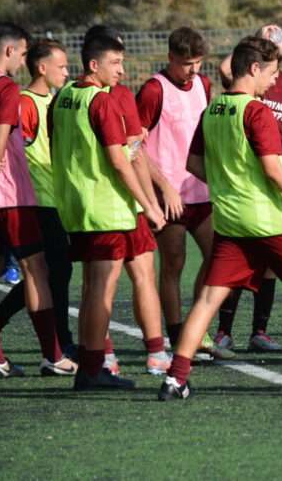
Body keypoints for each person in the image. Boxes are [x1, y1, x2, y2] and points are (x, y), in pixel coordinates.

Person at [158, 36, 282, 400]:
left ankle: (176, 378)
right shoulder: (256, 110)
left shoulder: (213, 110)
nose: (274, 81)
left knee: (208, 300)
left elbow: (192, 164)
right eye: (272, 73)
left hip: (230, 222)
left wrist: (227, 182)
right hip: (270, 221)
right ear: (254, 69)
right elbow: (274, 170)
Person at [50, 33, 169, 388]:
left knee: (90, 291)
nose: (121, 70)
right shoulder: (100, 101)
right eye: (115, 63)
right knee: (102, 292)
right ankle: (93, 370)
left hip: (76, 207)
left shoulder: (63, 96)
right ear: (93, 64)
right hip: (107, 209)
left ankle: (91, 364)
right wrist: (149, 205)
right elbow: (121, 162)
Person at [213, 24, 282, 353]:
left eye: (275, 44)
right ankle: (223, 332)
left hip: (275, 180)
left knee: (263, 265)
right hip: (252, 184)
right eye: (264, 43)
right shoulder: (244, 87)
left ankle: (259, 331)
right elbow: (226, 68)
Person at [136, 27, 234, 360]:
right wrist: (163, 188)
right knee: (173, 265)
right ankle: (178, 335)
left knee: (218, 258)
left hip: (202, 192)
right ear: (171, 58)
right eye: (187, 64)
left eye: (198, 63)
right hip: (169, 197)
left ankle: (197, 326)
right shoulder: (153, 90)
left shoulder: (204, 85)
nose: (193, 70)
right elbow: (134, 146)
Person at [0, 23, 74, 378]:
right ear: (8, 51)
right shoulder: (5, 88)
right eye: (21, 53)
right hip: (10, 196)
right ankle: (54, 356)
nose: (23, 60)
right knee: (38, 271)